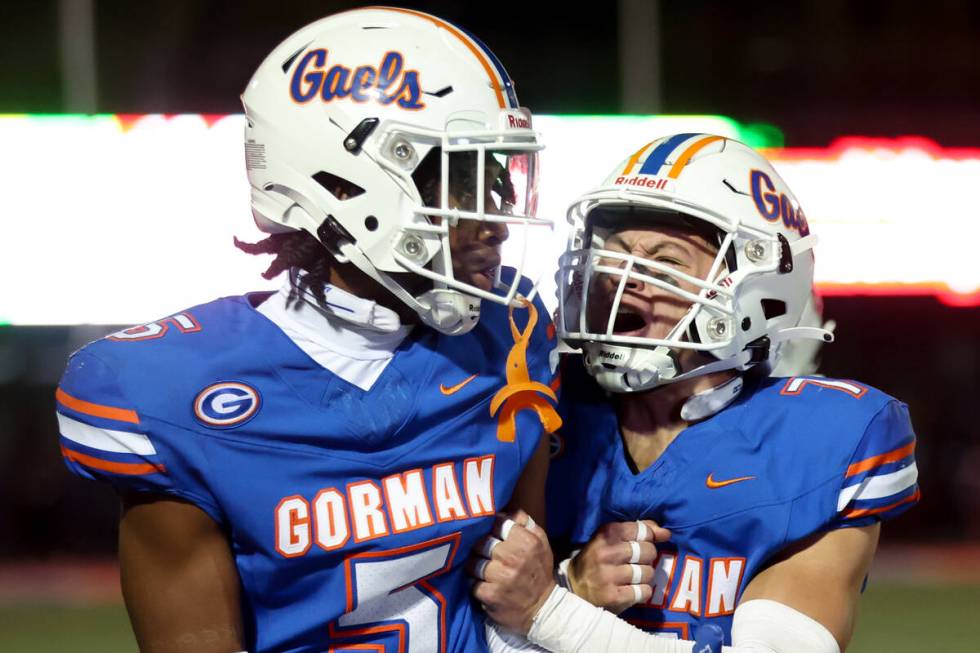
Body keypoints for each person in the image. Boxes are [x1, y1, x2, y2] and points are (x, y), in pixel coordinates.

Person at [54, 7, 560, 652]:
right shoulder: (172, 392)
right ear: (344, 183)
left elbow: (530, 596)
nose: (497, 221)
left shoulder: (511, 335)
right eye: (463, 183)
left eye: (499, 182)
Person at [472, 134, 919, 653]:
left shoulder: (823, 437)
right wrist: (575, 586)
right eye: (612, 256)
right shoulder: (532, 402)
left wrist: (550, 609)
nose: (623, 277)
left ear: (751, 287)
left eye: (664, 260)